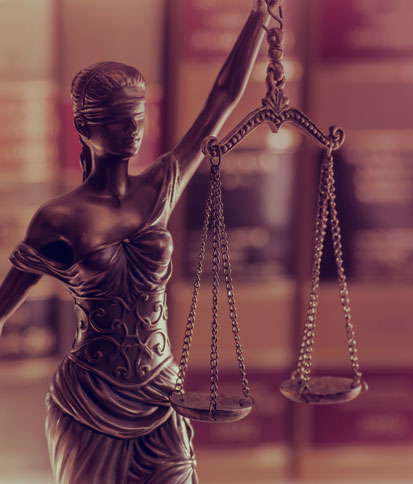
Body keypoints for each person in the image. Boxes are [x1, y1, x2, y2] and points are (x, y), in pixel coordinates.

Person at [0, 1, 272, 483]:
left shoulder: (160, 186)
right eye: (118, 120)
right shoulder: (58, 218)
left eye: (138, 118)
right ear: (85, 127)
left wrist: (259, 16)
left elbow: (222, 99)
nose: (133, 130)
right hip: (89, 401)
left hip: (161, 394)